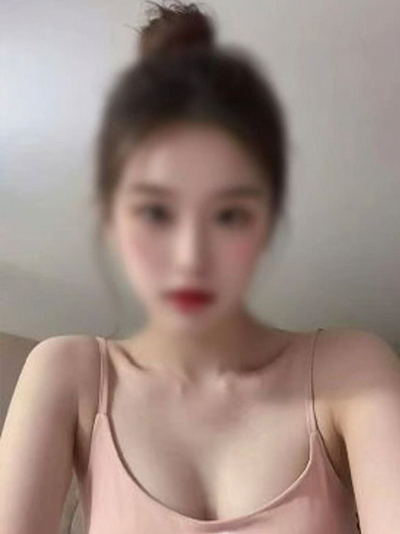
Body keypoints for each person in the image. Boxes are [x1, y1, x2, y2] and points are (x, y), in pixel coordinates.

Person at [1, 2, 399, 533]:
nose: (191, 254)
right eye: (156, 211)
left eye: (227, 212)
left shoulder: (351, 371)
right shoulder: (68, 373)